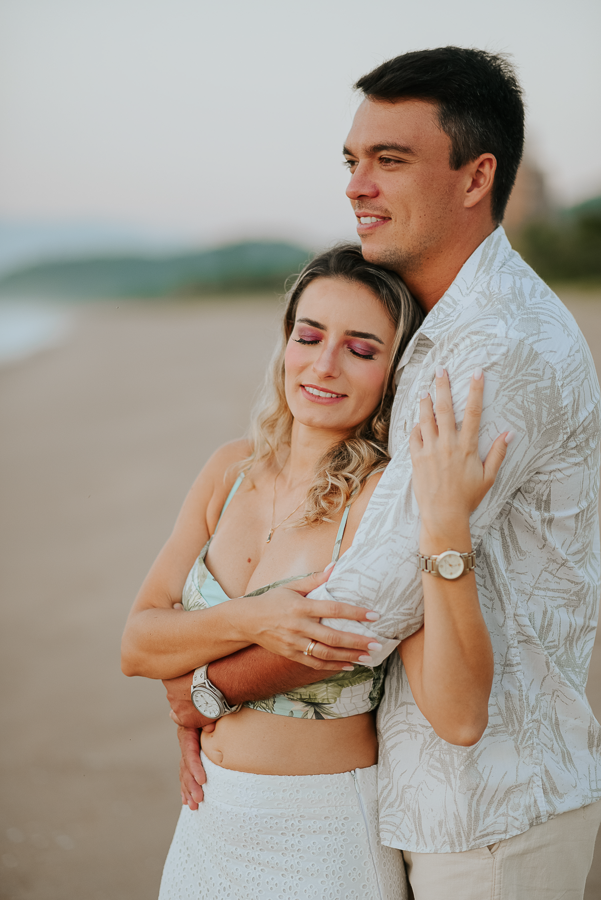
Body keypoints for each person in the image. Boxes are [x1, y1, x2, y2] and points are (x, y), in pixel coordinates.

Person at [170, 48, 601, 899]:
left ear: (477, 176)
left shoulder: (493, 347)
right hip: (413, 800)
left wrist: (204, 692)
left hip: (488, 814)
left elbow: (366, 602)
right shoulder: (439, 329)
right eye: (352, 161)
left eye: (389, 160)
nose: (356, 185)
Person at [121, 243, 510, 899]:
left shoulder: (385, 500)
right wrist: (254, 617)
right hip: (205, 825)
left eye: (360, 349)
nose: (324, 364)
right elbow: (136, 645)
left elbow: (460, 715)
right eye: (309, 336)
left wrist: (446, 524)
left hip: (323, 838)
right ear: (285, 344)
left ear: (394, 372)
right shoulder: (229, 469)